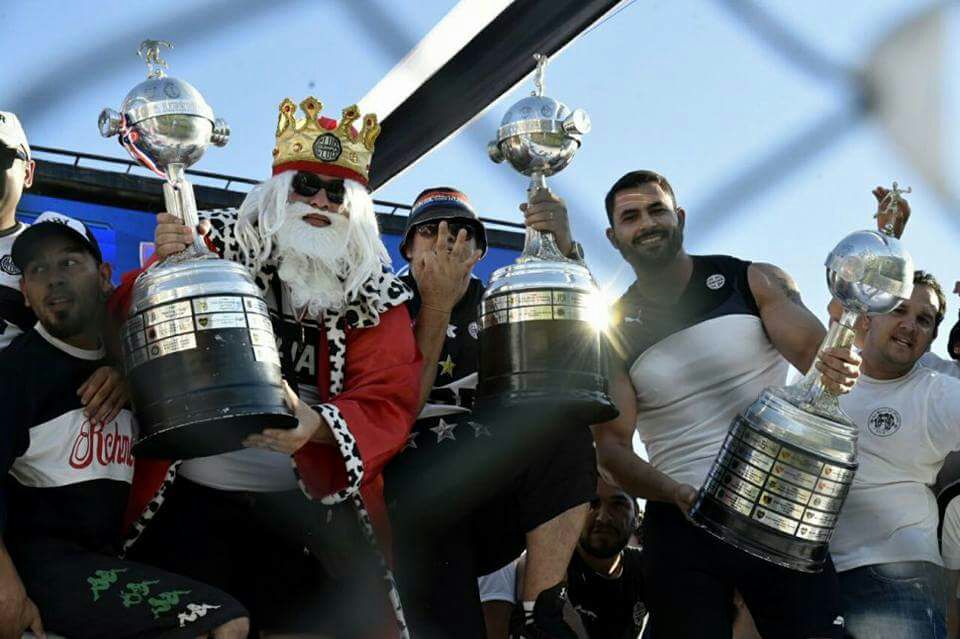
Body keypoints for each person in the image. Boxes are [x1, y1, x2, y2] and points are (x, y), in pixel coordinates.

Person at [124, 97, 421, 637]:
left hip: (304, 512)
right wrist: (165, 269)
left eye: (337, 192)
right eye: (307, 184)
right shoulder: (215, 242)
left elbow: (390, 395)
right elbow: (136, 318)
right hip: (190, 499)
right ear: (280, 192)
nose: (322, 201)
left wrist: (319, 425)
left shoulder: (375, 293)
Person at [590, 170, 862, 638]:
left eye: (656, 210)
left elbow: (817, 364)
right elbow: (612, 450)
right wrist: (674, 492)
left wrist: (840, 364)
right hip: (681, 518)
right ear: (614, 238)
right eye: (631, 217)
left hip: (781, 507)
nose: (647, 223)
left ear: (679, 218)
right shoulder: (610, 332)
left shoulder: (752, 280)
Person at [0, 212, 249, 638]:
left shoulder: (133, 363)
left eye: (69, 262)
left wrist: (130, 376)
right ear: (25, 292)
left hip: (110, 559)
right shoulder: (15, 372)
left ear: (104, 277)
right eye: (37, 270)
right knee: (223, 623)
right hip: (39, 567)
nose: (53, 279)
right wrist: (7, 589)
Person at [384, 186, 599, 639]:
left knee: (567, 425)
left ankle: (541, 613)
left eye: (461, 231)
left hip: (492, 484)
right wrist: (437, 303)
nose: (445, 240)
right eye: (429, 230)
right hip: (410, 496)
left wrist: (565, 256)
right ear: (407, 249)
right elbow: (391, 414)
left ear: (478, 251)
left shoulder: (505, 299)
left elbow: (577, 359)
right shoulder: (381, 302)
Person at [828, 271, 958, 638]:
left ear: (931, 338)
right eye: (898, 310)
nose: (910, 326)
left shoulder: (938, 394)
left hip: (899, 578)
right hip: (813, 576)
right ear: (868, 317)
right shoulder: (827, 375)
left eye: (924, 319)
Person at [479, 479, 647, 639]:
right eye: (592, 503)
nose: (602, 517)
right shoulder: (548, 564)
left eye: (618, 505)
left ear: (636, 517)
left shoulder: (645, 568)